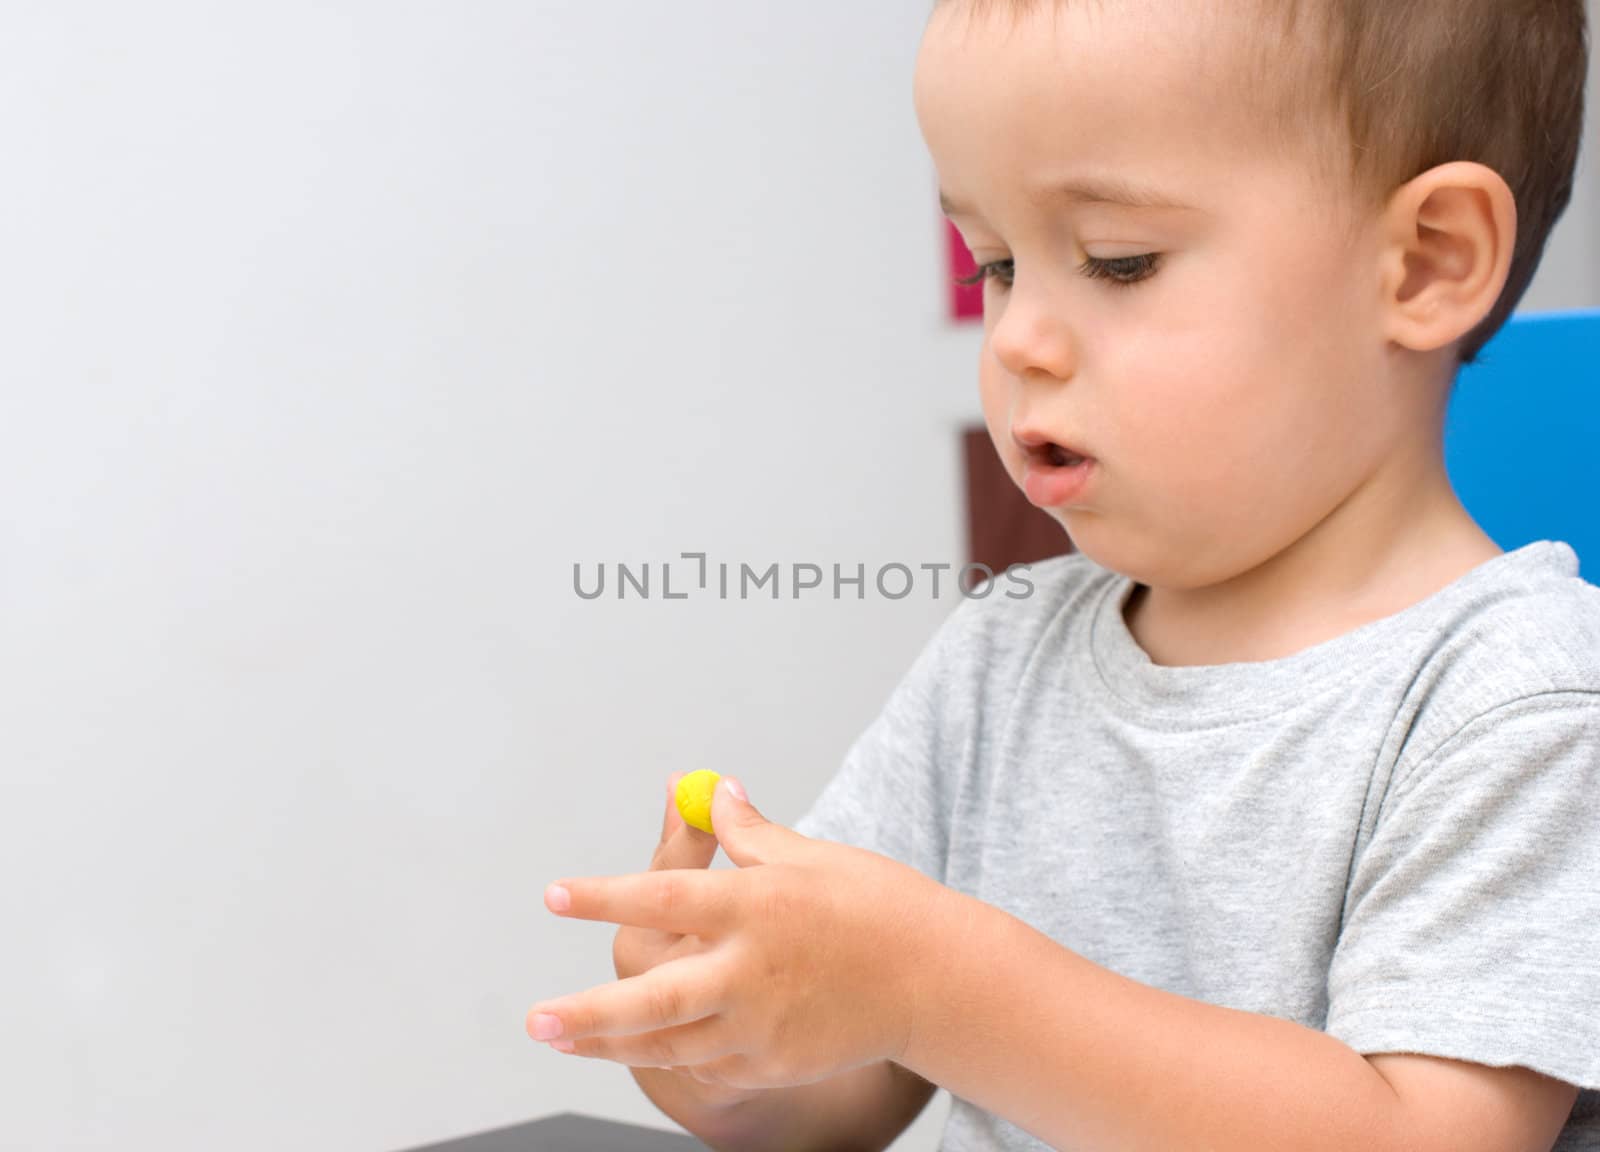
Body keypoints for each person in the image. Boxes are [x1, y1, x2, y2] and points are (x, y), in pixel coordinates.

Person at [527, 2, 1598, 1149]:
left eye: (1116, 261)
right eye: (994, 263)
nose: (1016, 339)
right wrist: (726, 1044)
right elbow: (835, 1106)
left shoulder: (1519, 701)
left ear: (1428, 260)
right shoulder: (1003, 653)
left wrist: (940, 984)